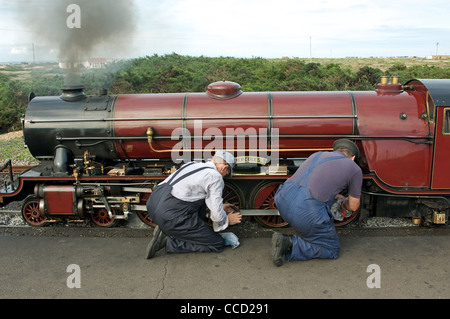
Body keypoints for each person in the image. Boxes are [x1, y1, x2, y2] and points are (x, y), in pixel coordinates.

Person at [271, 139, 363, 266]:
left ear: (335, 151)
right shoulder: (355, 169)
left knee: (309, 216)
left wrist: (335, 196)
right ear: (352, 157)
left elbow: (313, 183)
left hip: (282, 199)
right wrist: (343, 203)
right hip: (305, 210)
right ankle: (289, 242)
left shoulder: (317, 154)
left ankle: (306, 231)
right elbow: (353, 206)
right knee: (331, 249)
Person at [145, 150, 243, 259]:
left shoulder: (192, 164)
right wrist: (227, 220)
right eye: (227, 174)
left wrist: (221, 207)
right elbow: (216, 214)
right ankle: (168, 242)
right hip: (171, 215)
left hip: (153, 204)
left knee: (200, 203)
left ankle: (168, 227)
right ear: (224, 168)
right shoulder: (215, 176)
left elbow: (189, 196)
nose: (225, 176)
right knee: (217, 243)